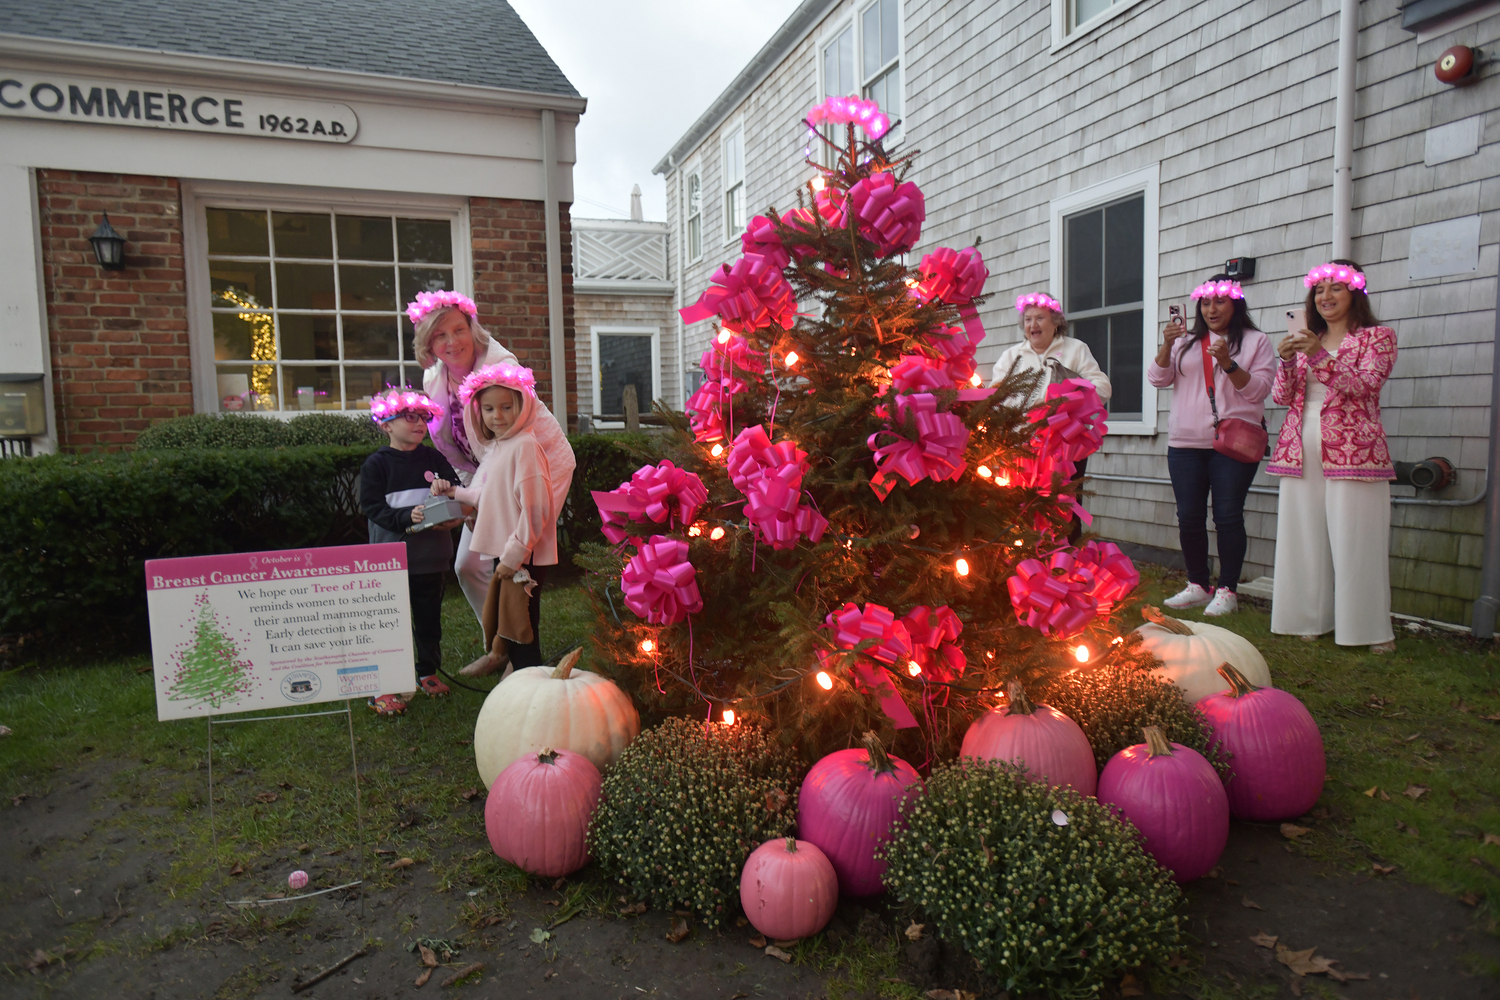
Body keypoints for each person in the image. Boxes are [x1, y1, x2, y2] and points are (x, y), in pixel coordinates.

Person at [410, 291, 576, 625]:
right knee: (467, 566)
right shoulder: (434, 380)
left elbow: (507, 445)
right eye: (440, 335)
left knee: (519, 561)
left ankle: (522, 653)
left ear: (472, 327)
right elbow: (457, 448)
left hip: (534, 470)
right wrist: (469, 498)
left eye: (458, 329)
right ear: (428, 344)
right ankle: (499, 642)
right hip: (487, 477)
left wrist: (477, 502)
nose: (452, 341)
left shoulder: (500, 367)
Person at [1268, 260, 1397, 652]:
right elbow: (1281, 397)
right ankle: (1310, 617)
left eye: (1335, 288)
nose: (1325, 296)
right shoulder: (1308, 338)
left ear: (1356, 292)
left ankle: (1370, 629)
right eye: (1319, 289)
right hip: (1300, 449)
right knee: (1303, 536)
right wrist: (1289, 360)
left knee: (1357, 540)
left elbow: (1364, 386)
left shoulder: (1378, 338)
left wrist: (1319, 356)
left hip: (1355, 451)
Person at [431, 363, 571, 677]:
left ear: (523, 405)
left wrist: (515, 554)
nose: (498, 416)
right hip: (508, 550)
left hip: (522, 552)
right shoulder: (500, 447)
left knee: (522, 619)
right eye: (489, 409)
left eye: (506, 407)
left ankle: (528, 679)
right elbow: (485, 494)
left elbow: (536, 510)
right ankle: (518, 672)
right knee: (510, 616)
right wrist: (454, 492)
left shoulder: (524, 447)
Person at [1149, 275, 1277, 616]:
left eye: (1219, 302)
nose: (1211, 309)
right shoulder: (1186, 342)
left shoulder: (1255, 341)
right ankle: (1198, 585)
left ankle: (1227, 590)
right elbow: (1157, 378)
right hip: (1185, 442)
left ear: (1235, 304)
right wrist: (1166, 344)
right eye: (1205, 303)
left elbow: (1259, 390)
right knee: (1189, 516)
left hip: (1233, 445)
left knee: (1227, 515)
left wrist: (1228, 364)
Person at [358, 388, 464, 715]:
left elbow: (456, 492)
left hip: (431, 559)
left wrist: (449, 498)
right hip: (391, 562)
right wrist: (406, 518)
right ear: (386, 425)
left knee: (429, 619)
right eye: (409, 417)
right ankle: (385, 685)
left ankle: (426, 672)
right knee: (391, 623)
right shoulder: (377, 464)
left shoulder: (433, 459)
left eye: (423, 417)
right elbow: (372, 507)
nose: (419, 423)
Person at [992, 293, 1111, 541]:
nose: (1032, 325)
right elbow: (995, 398)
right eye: (1027, 319)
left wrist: (1070, 399)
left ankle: (1066, 564)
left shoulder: (1075, 349)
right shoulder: (1011, 357)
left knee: (1065, 508)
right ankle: (1023, 566)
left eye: (1040, 318)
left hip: (1066, 446)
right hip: (1021, 445)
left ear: (1055, 321)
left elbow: (1102, 388)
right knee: (1021, 506)